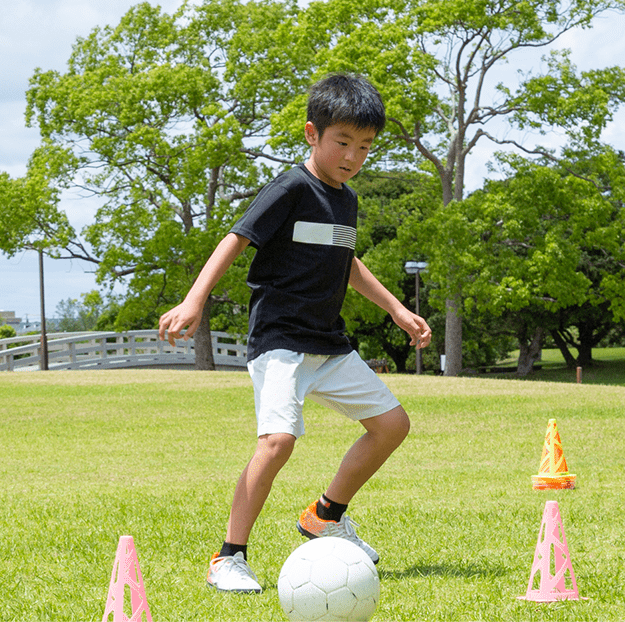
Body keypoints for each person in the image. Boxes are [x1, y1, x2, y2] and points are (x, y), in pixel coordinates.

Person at [157, 73, 432, 594]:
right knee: (278, 441)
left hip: (328, 344)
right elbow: (235, 238)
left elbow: (346, 261)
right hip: (280, 340)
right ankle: (228, 557)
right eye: (343, 142)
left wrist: (396, 307)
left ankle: (326, 515)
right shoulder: (290, 187)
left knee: (392, 425)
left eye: (365, 146)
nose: (353, 156)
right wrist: (195, 299)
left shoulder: (345, 199)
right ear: (313, 134)